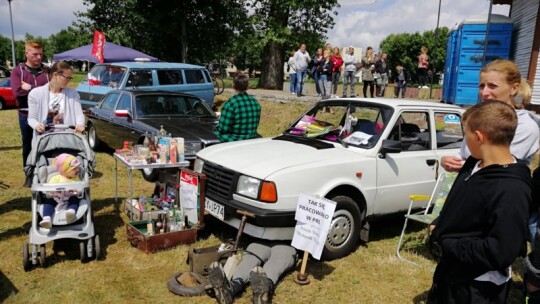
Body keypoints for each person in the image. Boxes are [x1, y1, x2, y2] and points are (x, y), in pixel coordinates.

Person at [427, 100, 531, 304]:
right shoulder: (474, 164)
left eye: (465, 134)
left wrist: (448, 242)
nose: (464, 139)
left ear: (478, 136)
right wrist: (440, 222)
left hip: (476, 286)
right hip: (451, 272)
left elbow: (500, 251)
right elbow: (460, 201)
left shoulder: (512, 190)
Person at [440, 59, 540, 242]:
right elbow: (466, 154)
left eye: (492, 86)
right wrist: (448, 160)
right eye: (482, 85)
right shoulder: (478, 117)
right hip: (472, 193)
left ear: (514, 88)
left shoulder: (525, 126)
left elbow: (495, 163)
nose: (485, 92)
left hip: (496, 201)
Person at [10, 40, 50, 187]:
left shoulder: (47, 72)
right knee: (28, 146)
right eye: (35, 54)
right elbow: (17, 92)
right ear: (26, 53)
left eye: (40, 54)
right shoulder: (17, 71)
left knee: (46, 145)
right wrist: (39, 90)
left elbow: (52, 91)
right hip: (25, 115)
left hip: (46, 114)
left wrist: (30, 87)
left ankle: (46, 173)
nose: (38, 57)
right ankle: (29, 175)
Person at [208, 243, 298, 304]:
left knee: (275, 263)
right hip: (262, 240)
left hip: (285, 243)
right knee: (251, 260)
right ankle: (231, 289)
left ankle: (263, 289)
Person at [27, 62, 86, 148]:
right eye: (67, 78)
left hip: (68, 141)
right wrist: (36, 125)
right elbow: (31, 118)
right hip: (44, 141)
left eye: (70, 78)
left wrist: (80, 124)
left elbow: (79, 114)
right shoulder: (35, 94)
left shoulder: (73, 93)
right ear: (55, 75)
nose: (69, 81)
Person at [39, 153, 83, 229]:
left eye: (77, 168)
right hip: (56, 198)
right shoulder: (55, 178)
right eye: (74, 169)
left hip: (69, 197)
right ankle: (47, 219)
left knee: (75, 200)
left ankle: (71, 212)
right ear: (64, 170)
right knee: (48, 203)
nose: (78, 170)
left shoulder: (76, 179)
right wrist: (53, 190)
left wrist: (76, 190)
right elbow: (49, 189)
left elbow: (79, 189)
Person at [214, 73, 261, 142]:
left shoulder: (231, 104)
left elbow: (223, 128)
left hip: (234, 141)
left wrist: (216, 128)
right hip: (251, 140)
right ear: (247, 87)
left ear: (233, 86)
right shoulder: (256, 103)